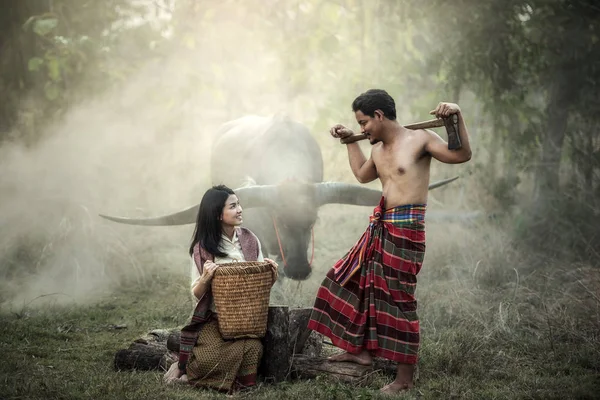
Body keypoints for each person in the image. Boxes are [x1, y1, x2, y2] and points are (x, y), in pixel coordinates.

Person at [307, 89, 472, 394]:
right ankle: (361, 352)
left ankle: (404, 380)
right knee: (348, 280)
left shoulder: (420, 140)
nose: (362, 129)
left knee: (399, 300)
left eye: (363, 123)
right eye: (358, 125)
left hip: (407, 229)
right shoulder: (377, 151)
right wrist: (348, 142)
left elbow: (461, 154)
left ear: (379, 116)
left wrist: (455, 117)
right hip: (379, 228)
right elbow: (360, 175)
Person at [163, 184, 278, 393]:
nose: (240, 210)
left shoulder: (250, 240)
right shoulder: (203, 248)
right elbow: (197, 294)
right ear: (217, 214)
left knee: (253, 348)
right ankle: (189, 370)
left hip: (246, 320)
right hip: (215, 319)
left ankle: (209, 378)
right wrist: (206, 277)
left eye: (239, 204)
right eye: (233, 206)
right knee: (207, 359)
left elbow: (259, 287)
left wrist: (271, 273)